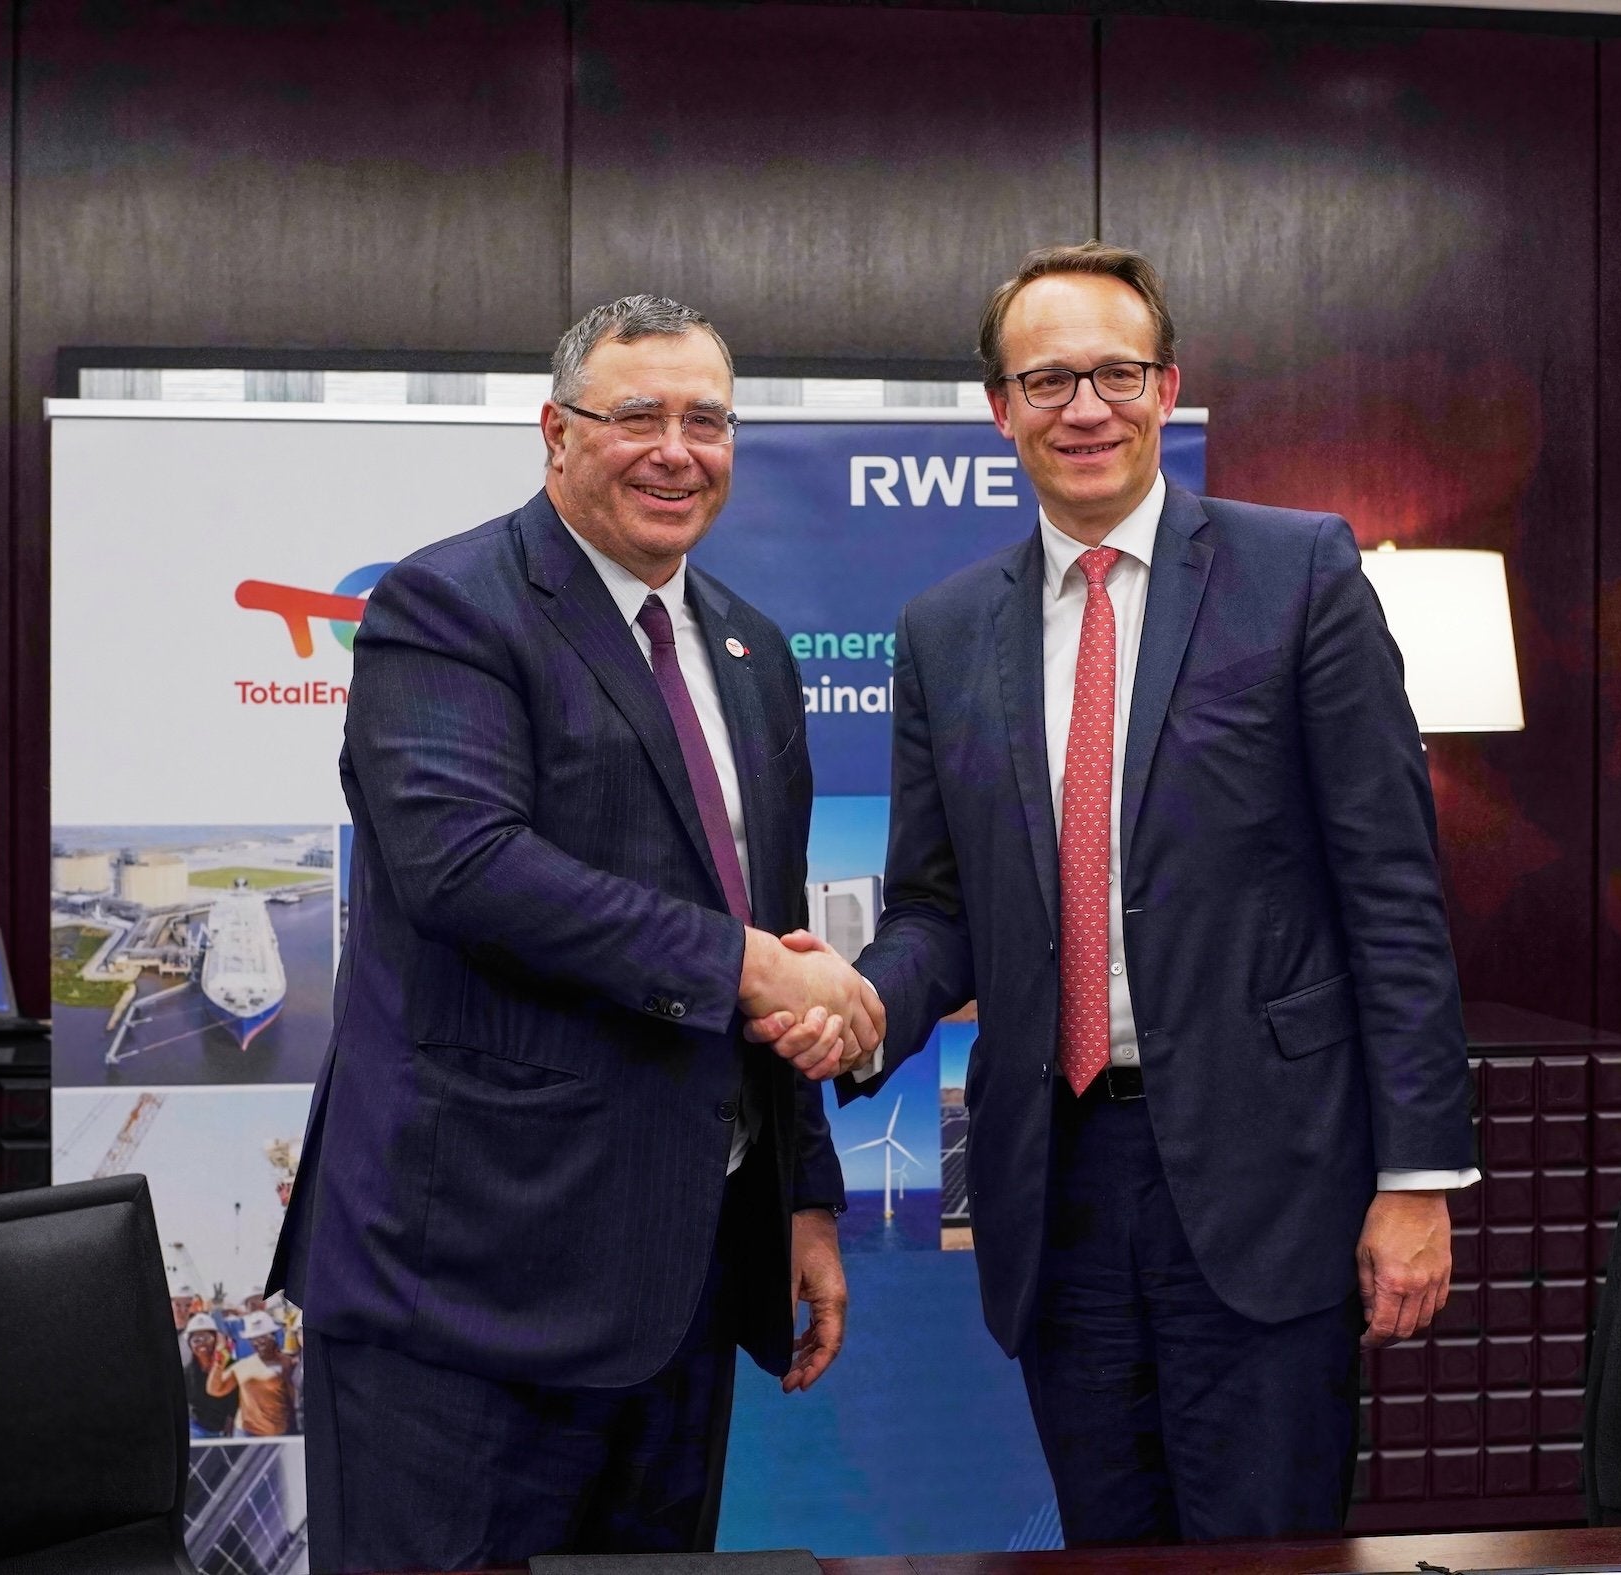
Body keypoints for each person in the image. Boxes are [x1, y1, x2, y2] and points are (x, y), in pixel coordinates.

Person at [759, 242, 1476, 1544]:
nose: (1083, 407)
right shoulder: (943, 630)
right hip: (1058, 1184)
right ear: (999, 408)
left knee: (1266, 1552)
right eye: (1046, 380)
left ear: (1165, 387)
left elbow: (1390, 891)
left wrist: (1415, 1176)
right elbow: (937, 910)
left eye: (1114, 373)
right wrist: (858, 1004)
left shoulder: (1299, 574)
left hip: (1269, 1178)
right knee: (1106, 1547)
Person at [270, 294, 882, 1571]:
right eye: (636, 416)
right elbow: (464, 868)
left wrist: (804, 1197)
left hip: (682, 1281)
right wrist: (739, 965)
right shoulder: (446, 607)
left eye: (707, 421)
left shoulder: (752, 650)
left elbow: (771, 936)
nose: (676, 450)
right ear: (556, 434)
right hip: (468, 1281)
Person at [207, 1309, 298, 1438]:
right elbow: (215, 1390)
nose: (258, 1342)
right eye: (253, 1338)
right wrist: (218, 1363)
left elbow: (295, 1399)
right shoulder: (243, 1365)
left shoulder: (288, 1363)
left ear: (273, 1336)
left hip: (279, 1434)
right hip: (245, 1433)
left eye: (263, 1337)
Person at [183, 1312, 240, 1439]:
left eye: (207, 1338)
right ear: (190, 1344)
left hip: (228, 1427)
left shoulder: (231, 1367)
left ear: (216, 1340)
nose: (202, 1344)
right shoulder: (186, 1373)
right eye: (196, 1340)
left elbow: (235, 1401)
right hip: (197, 1428)